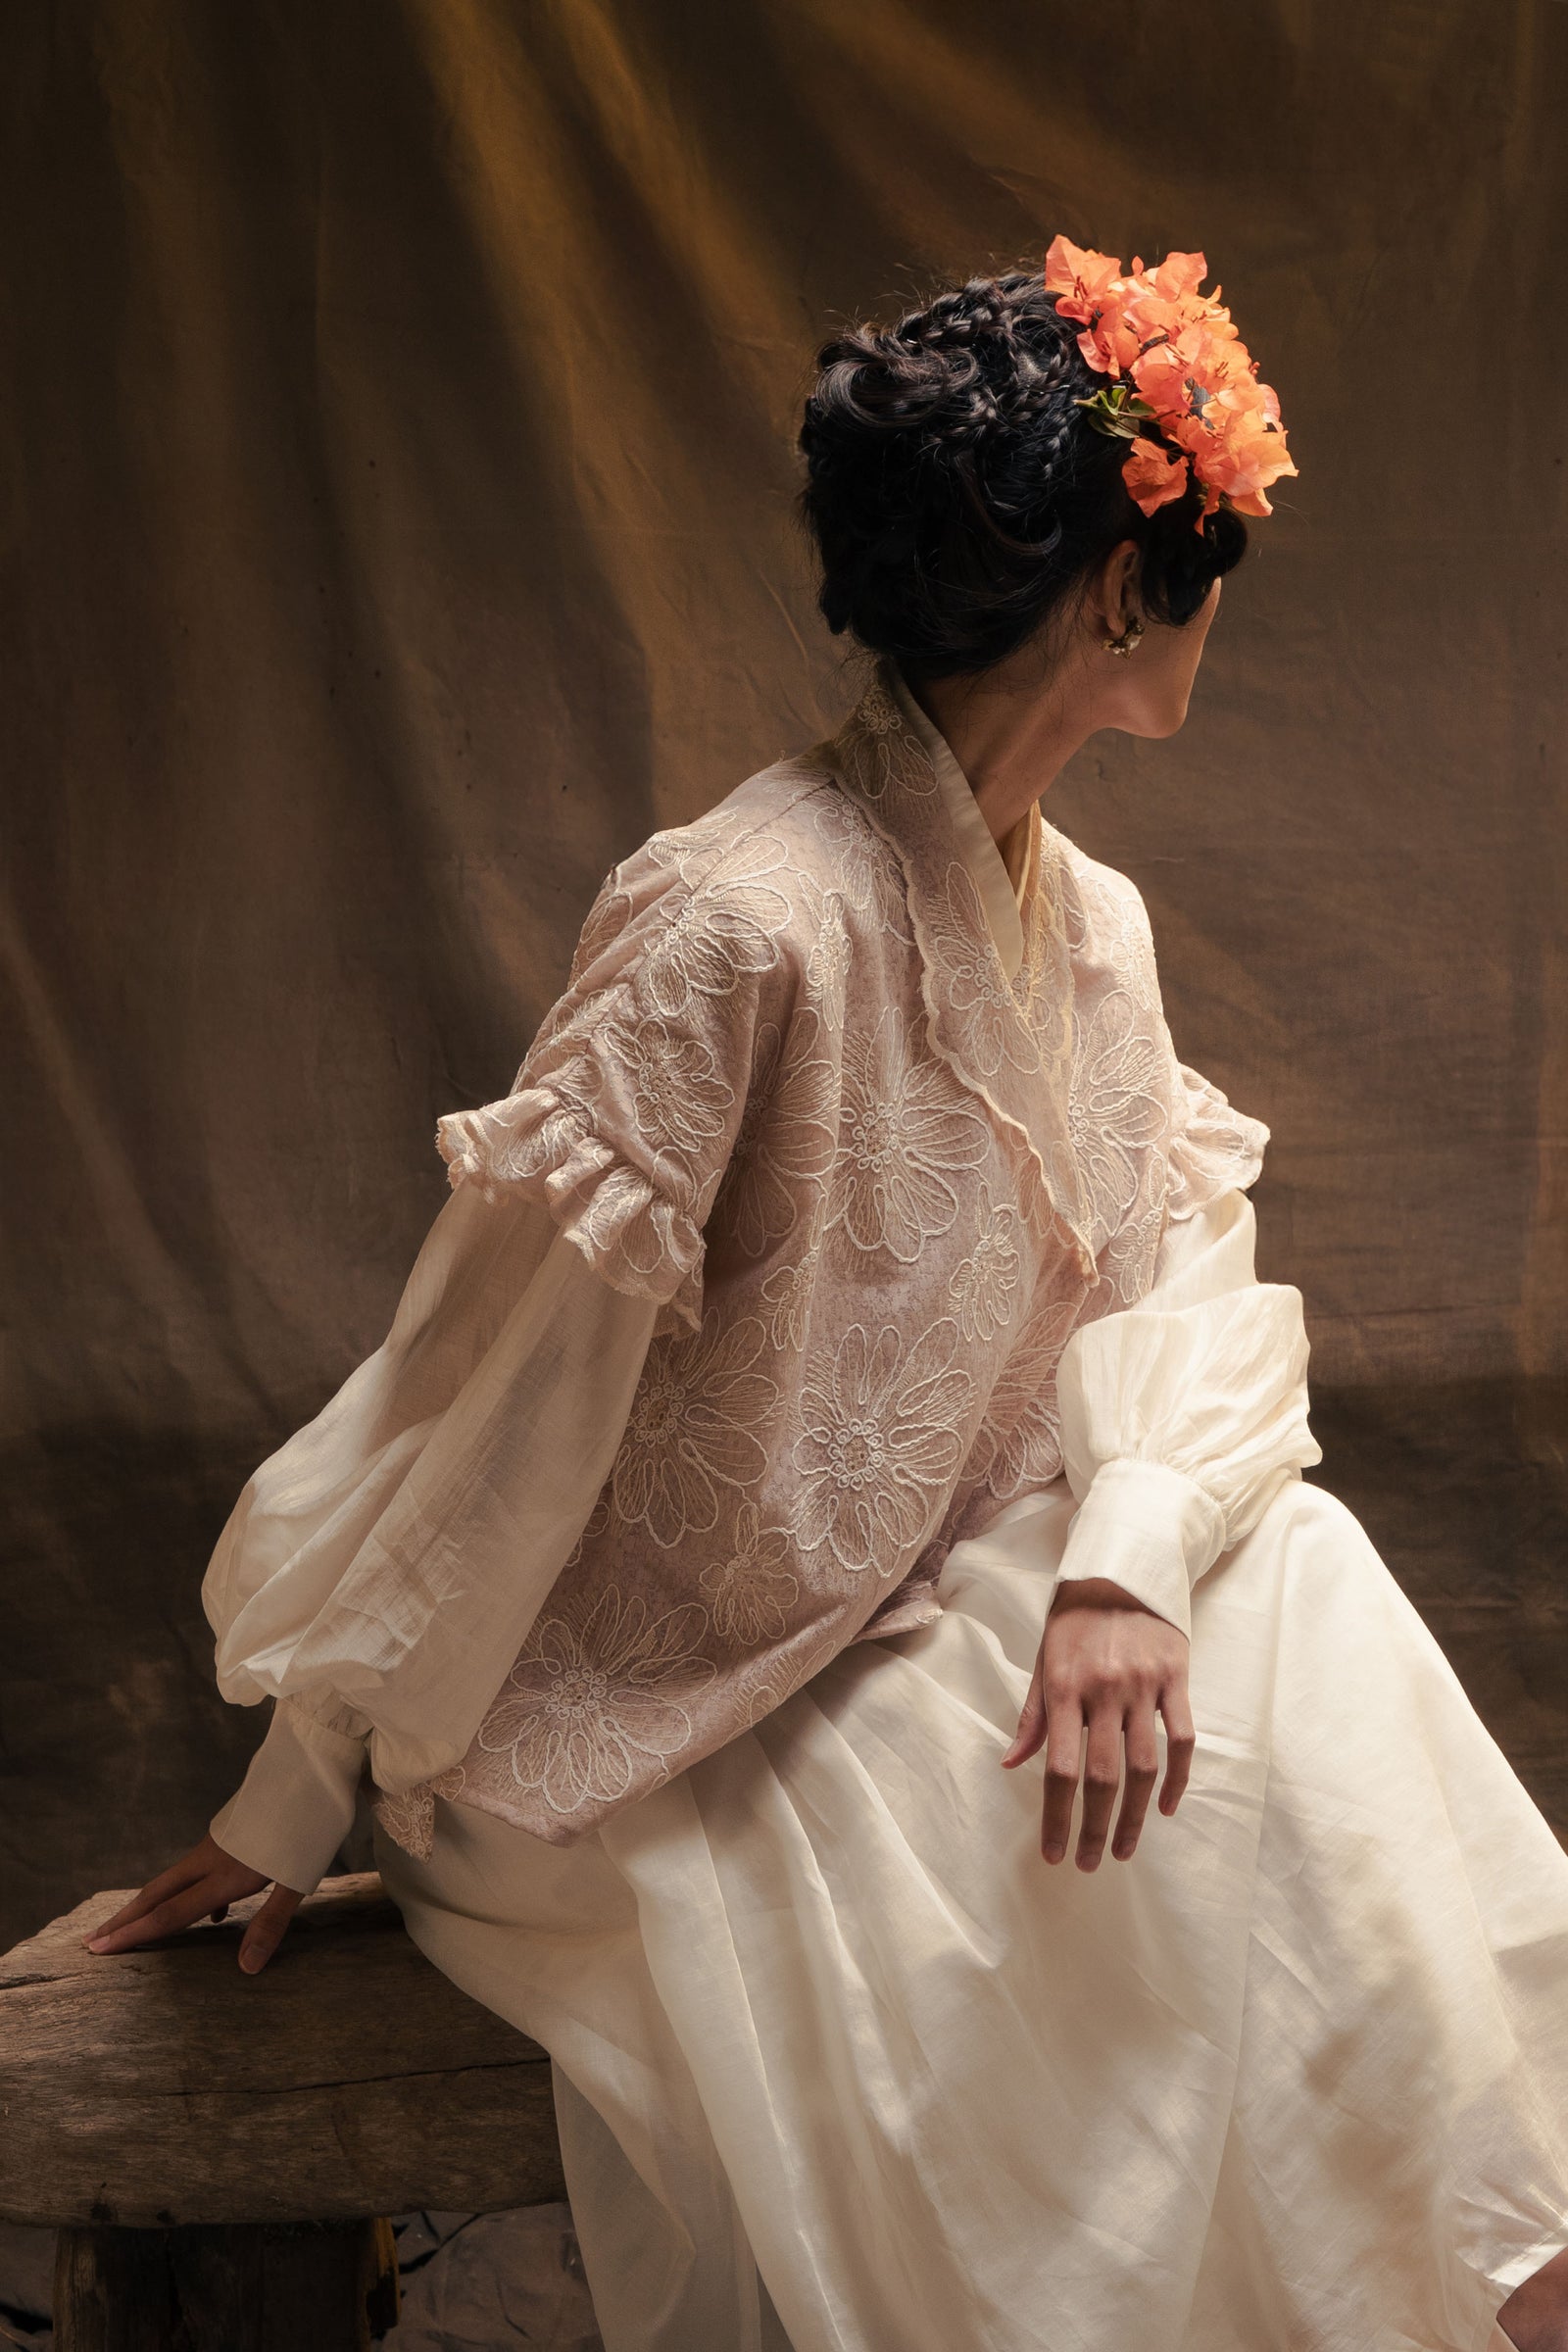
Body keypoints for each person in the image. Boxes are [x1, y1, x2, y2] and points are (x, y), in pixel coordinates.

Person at [84, 241, 1568, 2352]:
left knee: (1286, 1586)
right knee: (1237, 1809)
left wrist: (1127, 1562)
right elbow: (494, 1393)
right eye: (1200, 563)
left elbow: (1178, 1283)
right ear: (1118, 591)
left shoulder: (1098, 929)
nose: (1216, 605)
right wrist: (295, 1789)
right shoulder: (734, 916)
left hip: (919, 1623)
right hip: (644, 1724)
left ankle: (1520, 2277)